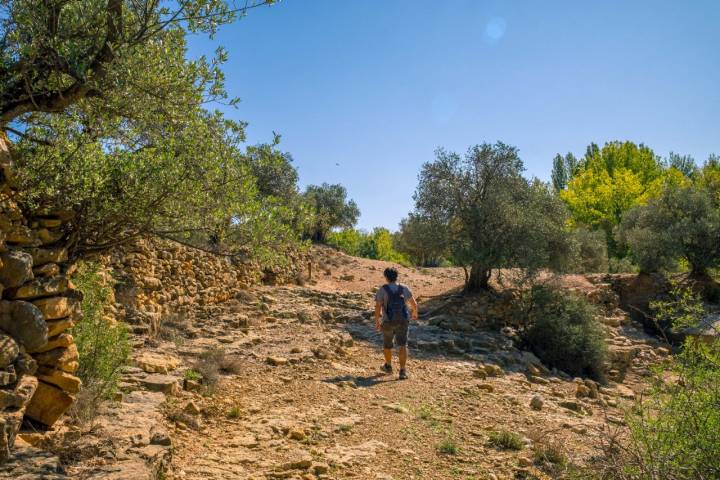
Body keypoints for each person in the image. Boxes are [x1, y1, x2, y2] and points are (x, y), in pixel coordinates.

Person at [374, 267, 418, 380]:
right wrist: (415, 313)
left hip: (387, 321)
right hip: (403, 321)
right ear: (396, 276)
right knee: (402, 345)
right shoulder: (404, 288)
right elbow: (414, 304)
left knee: (387, 345)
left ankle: (388, 366)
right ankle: (402, 371)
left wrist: (377, 321)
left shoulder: (383, 289)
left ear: (386, 277)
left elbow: (378, 306)